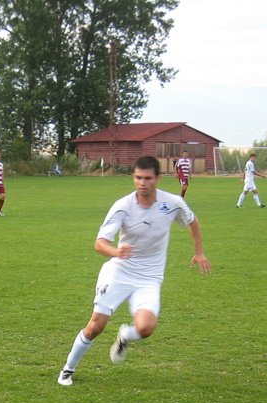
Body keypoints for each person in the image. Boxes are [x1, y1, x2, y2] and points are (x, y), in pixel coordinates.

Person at [57, 155, 211, 387]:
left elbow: (192, 221)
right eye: (138, 177)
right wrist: (116, 252)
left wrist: (199, 251)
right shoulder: (123, 206)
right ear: (133, 178)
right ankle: (68, 369)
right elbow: (100, 243)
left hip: (149, 278)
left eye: (147, 178)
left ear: (157, 179)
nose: (142, 183)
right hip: (119, 273)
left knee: (146, 328)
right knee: (96, 325)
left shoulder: (173, 203)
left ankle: (125, 336)